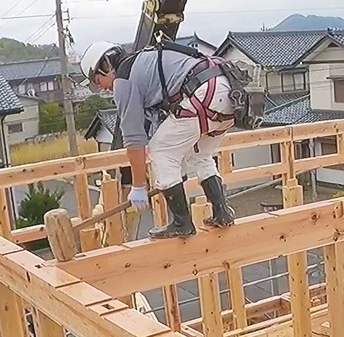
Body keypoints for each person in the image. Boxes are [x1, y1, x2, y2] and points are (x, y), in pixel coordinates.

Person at [80, 39, 247, 239]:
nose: (103, 89)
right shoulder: (144, 63)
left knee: (160, 152)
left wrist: (139, 186)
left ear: (106, 66)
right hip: (228, 97)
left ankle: (182, 223)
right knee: (200, 156)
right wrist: (174, 172)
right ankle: (222, 213)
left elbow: (134, 140)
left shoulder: (123, 81)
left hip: (202, 94)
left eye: (99, 82)